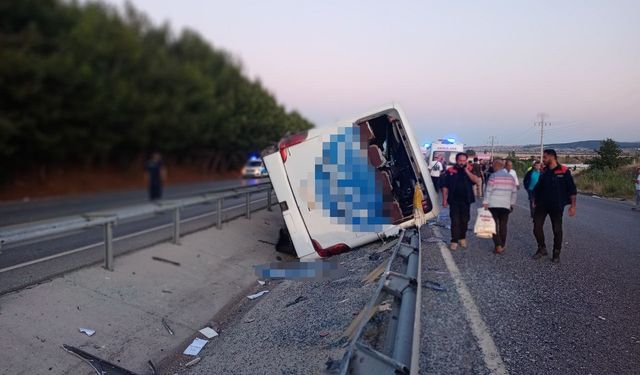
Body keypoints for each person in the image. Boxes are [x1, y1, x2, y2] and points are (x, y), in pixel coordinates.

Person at [532, 149, 577, 263]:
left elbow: (572, 190)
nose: (543, 160)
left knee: (557, 230)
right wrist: (534, 199)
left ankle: (556, 253)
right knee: (536, 227)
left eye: (545, 157)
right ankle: (541, 248)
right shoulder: (544, 171)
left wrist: (573, 206)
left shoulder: (564, 171)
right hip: (542, 204)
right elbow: (539, 187)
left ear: (552, 157)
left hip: (556, 205)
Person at [441, 152, 481, 250]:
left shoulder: (470, 169)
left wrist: (466, 170)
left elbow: (476, 181)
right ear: (456, 160)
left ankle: (462, 238)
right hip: (453, 200)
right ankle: (454, 240)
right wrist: (444, 199)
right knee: (455, 221)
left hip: (466, 200)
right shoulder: (450, 170)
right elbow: (445, 186)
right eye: (460, 160)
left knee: (465, 220)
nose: (462, 162)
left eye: (464, 161)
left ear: (466, 161)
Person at [483, 159, 517, 254]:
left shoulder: (493, 176)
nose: (493, 168)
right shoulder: (511, 177)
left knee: (493, 225)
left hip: (493, 204)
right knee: (503, 225)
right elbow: (514, 192)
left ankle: (497, 245)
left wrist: (485, 202)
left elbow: (488, 190)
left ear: (496, 166)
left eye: (494, 166)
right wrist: (512, 204)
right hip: (505, 205)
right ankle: (502, 245)